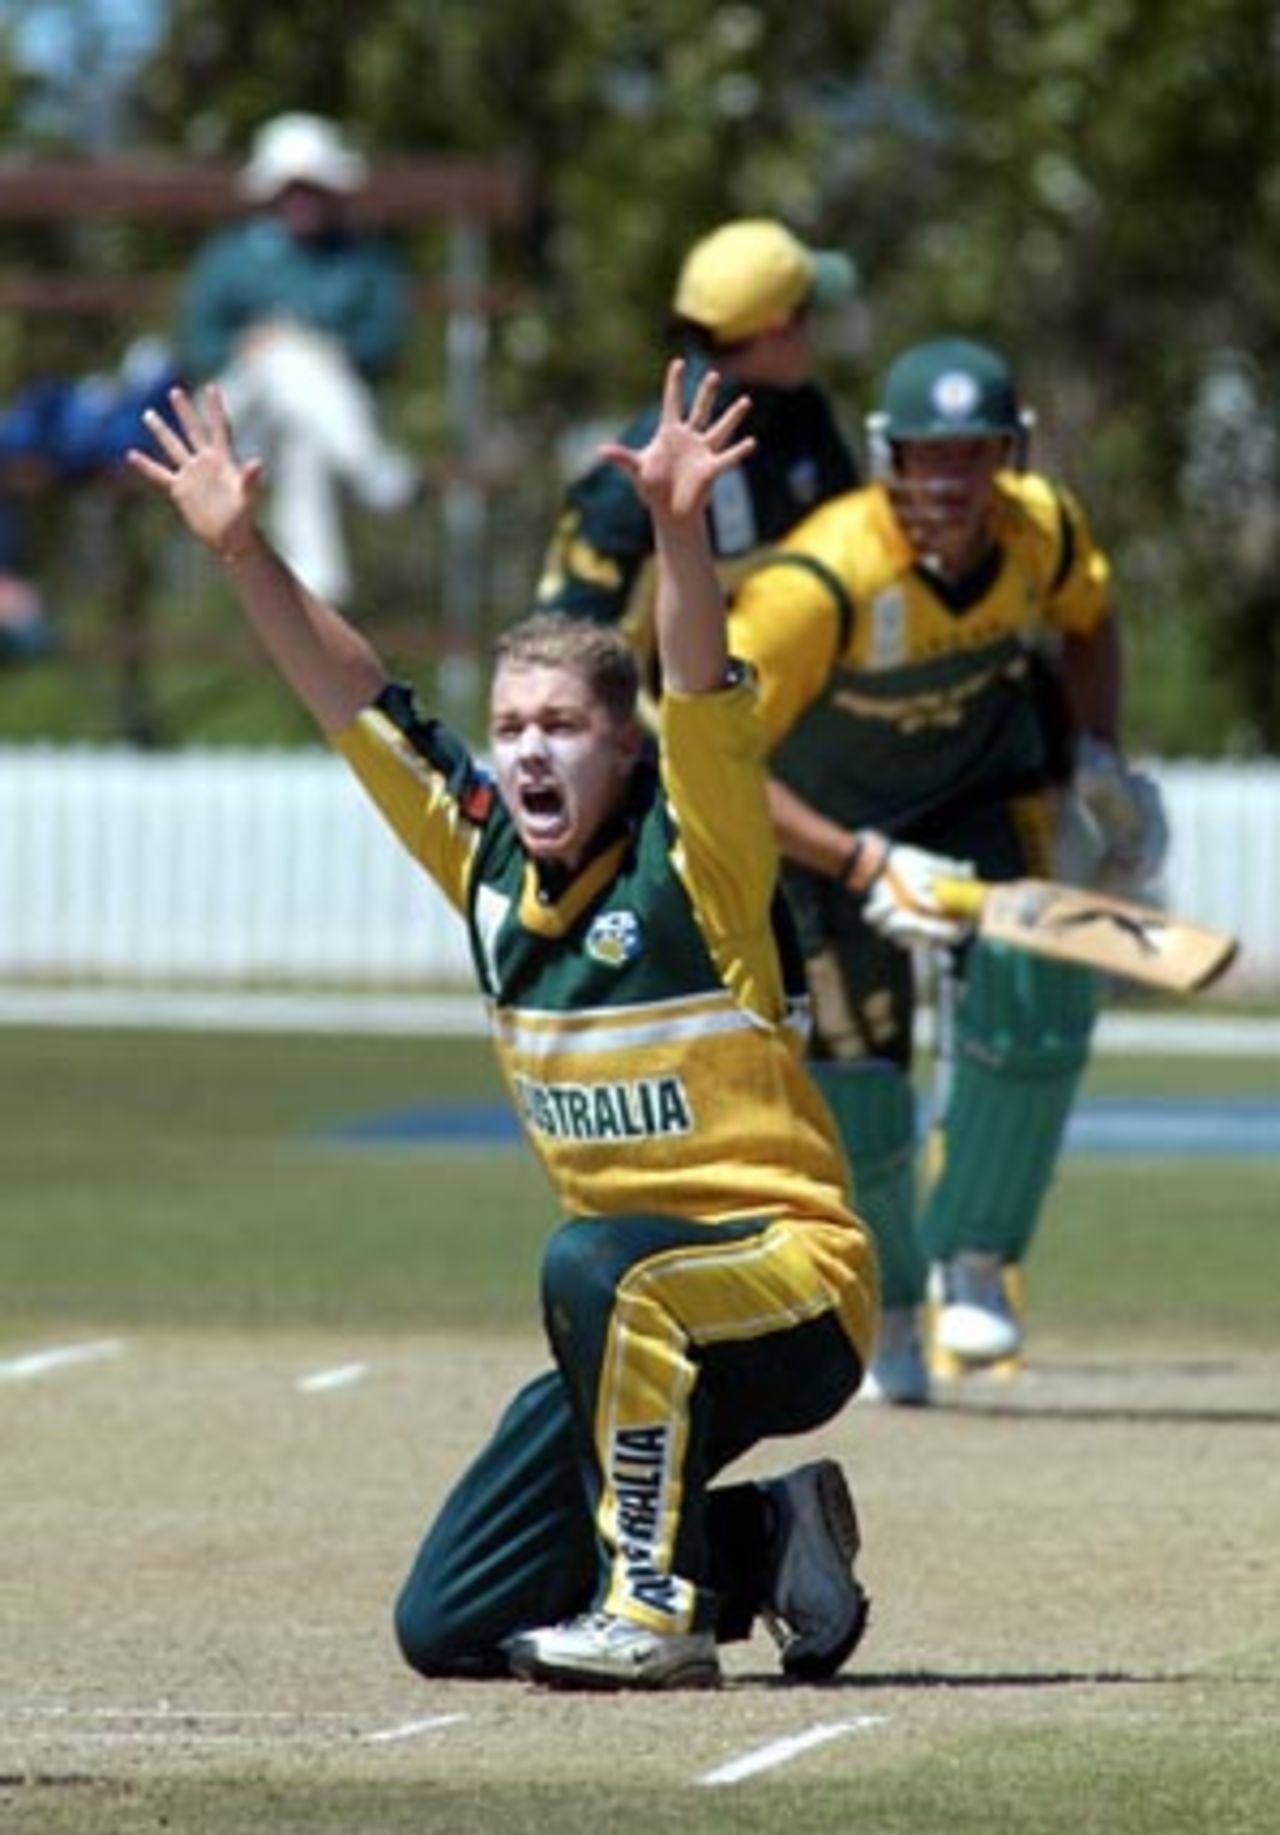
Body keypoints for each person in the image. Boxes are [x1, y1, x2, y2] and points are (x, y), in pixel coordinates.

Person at [128, 359, 878, 1692]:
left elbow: (699, 690)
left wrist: (679, 529)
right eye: (512, 727)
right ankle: (765, 1537)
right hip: (631, 1317)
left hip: (792, 1284)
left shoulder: (695, 859)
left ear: (625, 751)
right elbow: (353, 698)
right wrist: (244, 550)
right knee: (450, 1618)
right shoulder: (482, 865)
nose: (532, 752)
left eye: (567, 728)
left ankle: (653, 1611)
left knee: (597, 1259)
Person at [720, 336, 1166, 1404]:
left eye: (973, 455)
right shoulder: (817, 578)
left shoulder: (1040, 532)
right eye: (929, 456)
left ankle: (976, 1257)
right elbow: (717, 762)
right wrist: (859, 856)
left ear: (1007, 452)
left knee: (1039, 978)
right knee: (861, 1084)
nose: (951, 482)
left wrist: (1099, 757)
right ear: (889, 457)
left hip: (976, 794)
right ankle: (895, 1305)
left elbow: (1090, 622)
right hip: (819, 833)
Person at [536, 217, 859, 699]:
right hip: (674, 747)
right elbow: (561, 656)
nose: (814, 333)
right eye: (807, 314)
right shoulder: (637, 476)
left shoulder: (805, 417)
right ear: (779, 328)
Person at [177, 111, 419, 608]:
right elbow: (198, 343)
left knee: (302, 428)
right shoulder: (230, 256)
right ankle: (370, 466)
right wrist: (256, 346)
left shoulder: (364, 260)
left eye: (311, 188)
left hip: (319, 412)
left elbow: (382, 343)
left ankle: (319, 595)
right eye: (291, 189)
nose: (301, 201)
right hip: (232, 418)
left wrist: (320, 346)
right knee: (284, 360)